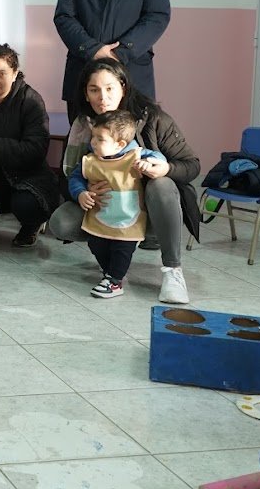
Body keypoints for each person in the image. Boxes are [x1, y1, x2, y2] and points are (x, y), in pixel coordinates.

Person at [47, 57, 200, 304]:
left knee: (162, 185)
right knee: (62, 223)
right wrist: (84, 190)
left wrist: (165, 168)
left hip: (149, 205)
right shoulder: (83, 125)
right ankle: (112, 262)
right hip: (108, 205)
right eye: (94, 90)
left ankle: (172, 270)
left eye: (110, 88)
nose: (102, 97)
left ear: (123, 88)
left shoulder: (153, 118)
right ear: (85, 94)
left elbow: (192, 165)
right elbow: (71, 174)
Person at [0, 44, 64, 248]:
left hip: (22, 175)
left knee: (28, 204)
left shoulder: (30, 100)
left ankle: (31, 225)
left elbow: (36, 149)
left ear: (15, 73)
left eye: (2, 73)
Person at [70, 110, 166, 300]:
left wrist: (151, 164)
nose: (93, 142)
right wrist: (80, 193)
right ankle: (110, 273)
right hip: (100, 217)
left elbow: (159, 157)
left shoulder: (135, 156)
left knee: (122, 249)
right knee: (96, 244)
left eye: (100, 139)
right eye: (93, 137)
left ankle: (114, 281)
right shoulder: (90, 160)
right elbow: (75, 178)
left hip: (127, 219)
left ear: (120, 144)